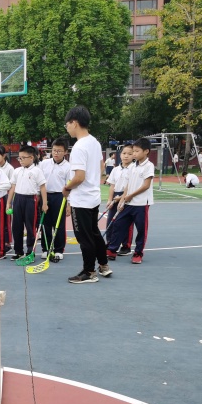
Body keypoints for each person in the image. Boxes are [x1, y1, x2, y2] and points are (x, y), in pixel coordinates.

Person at [62, 105, 112, 283]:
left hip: (82, 199)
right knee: (94, 232)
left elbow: (79, 177)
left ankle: (89, 272)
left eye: (67, 124)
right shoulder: (94, 142)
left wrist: (67, 188)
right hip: (93, 196)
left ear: (74, 123)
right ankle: (103, 265)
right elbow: (100, 166)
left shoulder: (79, 147)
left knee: (84, 237)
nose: (67, 128)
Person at [106, 137, 155, 265]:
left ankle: (138, 253)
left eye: (137, 151)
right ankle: (112, 250)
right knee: (118, 224)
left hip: (141, 204)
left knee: (141, 229)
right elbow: (128, 185)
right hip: (128, 202)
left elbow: (146, 185)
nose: (134, 154)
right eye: (133, 151)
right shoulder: (133, 167)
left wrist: (130, 196)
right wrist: (123, 199)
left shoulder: (149, 166)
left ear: (146, 151)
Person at [7, 145, 48, 261]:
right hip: (18, 199)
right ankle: (18, 252)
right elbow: (12, 187)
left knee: (30, 227)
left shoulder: (37, 171)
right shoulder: (17, 171)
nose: (20, 160)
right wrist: (9, 202)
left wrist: (44, 203)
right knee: (16, 227)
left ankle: (30, 252)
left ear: (31, 158)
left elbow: (43, 187)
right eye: (19, 158)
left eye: (23, 158)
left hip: (31, 200)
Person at [39, 138, 72, 261]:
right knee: (45, 224)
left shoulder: (68, 167)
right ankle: (46, 249)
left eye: (59, 151)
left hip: (60, 197)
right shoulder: (44, 164)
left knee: (59, 224)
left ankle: (58, 249)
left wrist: (68, 204)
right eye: (54, 150)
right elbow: (39, 182)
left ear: (65, 152)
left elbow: (69, 186)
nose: (56, 153)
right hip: (45, 196)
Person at [105, 144, 135, 256]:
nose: (126, 156)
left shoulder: (134, 169)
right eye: (124, 153)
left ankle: (126, 246)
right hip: (115, 196)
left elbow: (131, 186)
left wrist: (122, 198)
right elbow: (112, 186)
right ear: (120, 154)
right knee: (111, 222)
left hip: (127, 197)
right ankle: (110, 243)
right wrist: (110, 200)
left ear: (134, 155)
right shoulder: (115, 169)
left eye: (129, 154)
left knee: (125, 223)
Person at [0, 145, 14, 250]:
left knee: (6, 220)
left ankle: (7, 242)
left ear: (4, 156)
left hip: (6, 196)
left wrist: (9, 202)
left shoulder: (9, 169)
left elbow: (12, 186)